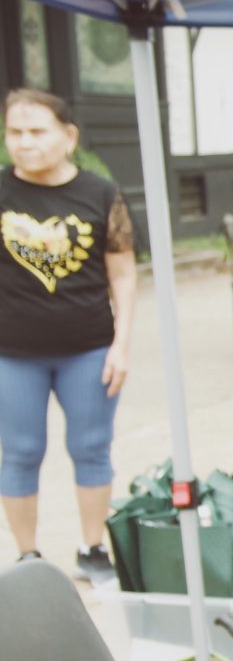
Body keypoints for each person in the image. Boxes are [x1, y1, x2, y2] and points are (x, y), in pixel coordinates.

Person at [1, 88, 136, 582]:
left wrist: (121, 345)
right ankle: (28, 558)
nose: (24, 142)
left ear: (69, 136)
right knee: (18, 452)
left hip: (89, 348)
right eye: (15, 132)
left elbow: (122, 274)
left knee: (92, 448)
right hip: (12, 354)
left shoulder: (100, 194)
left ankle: (92, 549)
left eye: (37, 131)